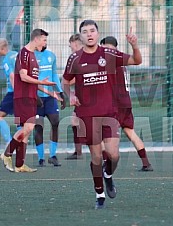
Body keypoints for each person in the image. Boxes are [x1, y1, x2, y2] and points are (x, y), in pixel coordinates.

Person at [62, 20, 142, 209]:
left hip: (109, 114)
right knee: (96, 158)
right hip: (87, 115)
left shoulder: (109, 54)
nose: (89, 34)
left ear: (97, 34)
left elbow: (136, 60)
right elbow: (65, 81)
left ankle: (108, 175)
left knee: (114, 155)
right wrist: (70, 94)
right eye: (85, 32)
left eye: (92, 31)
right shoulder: (75, 58)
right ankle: (100, 195)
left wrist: (135, 45)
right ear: (80, 36)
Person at [2, 28, 61, 173]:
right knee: (27, 128)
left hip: (31, 96)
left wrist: (49, 92)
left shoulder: (33, 55)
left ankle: (19, 164)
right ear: (36, 39)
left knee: (26, 133)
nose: (45, 42)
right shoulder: (24, 53)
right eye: (44, 39)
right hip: (23, 97)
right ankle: (6, 154)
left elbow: (33, 81)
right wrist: (44, 83)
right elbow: (23, 77)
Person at [100, 36, 153, 171]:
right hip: (126, 102)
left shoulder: (109, 61)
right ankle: (146, 163)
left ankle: (107, 162)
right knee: (130, 132)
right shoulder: (122, 61)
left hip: (115, 103)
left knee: (102, 133)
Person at [34, 47, 65, 167]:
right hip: (37, 97)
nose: (45, 42)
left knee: (55, 122)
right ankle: (41, 158)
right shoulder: (30, 57)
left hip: (51, 96)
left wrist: (60, 91)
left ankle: (52, 156)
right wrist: (35, 95)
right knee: (39, 126)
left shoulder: (51, 55)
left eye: (46, 40)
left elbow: (54, 75)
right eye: (43, 40)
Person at [0, 38, 18, 158]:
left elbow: (12, 76)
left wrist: (16, 92)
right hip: (25, 92)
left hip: (14, 92)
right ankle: (20, 144)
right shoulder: (18, 55)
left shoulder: (7, 59)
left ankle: (9, 142)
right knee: (20, 120)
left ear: (3, 49)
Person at [65, 34, 84, 160]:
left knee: (96, 125)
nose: (70, 47)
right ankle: (78, 151)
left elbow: (72, 79)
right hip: (80, 95)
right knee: (74, 121)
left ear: (75, 43)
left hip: (91, 97)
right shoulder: (76, 57)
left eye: (70, 45)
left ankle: (104, 154)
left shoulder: (80, 56)